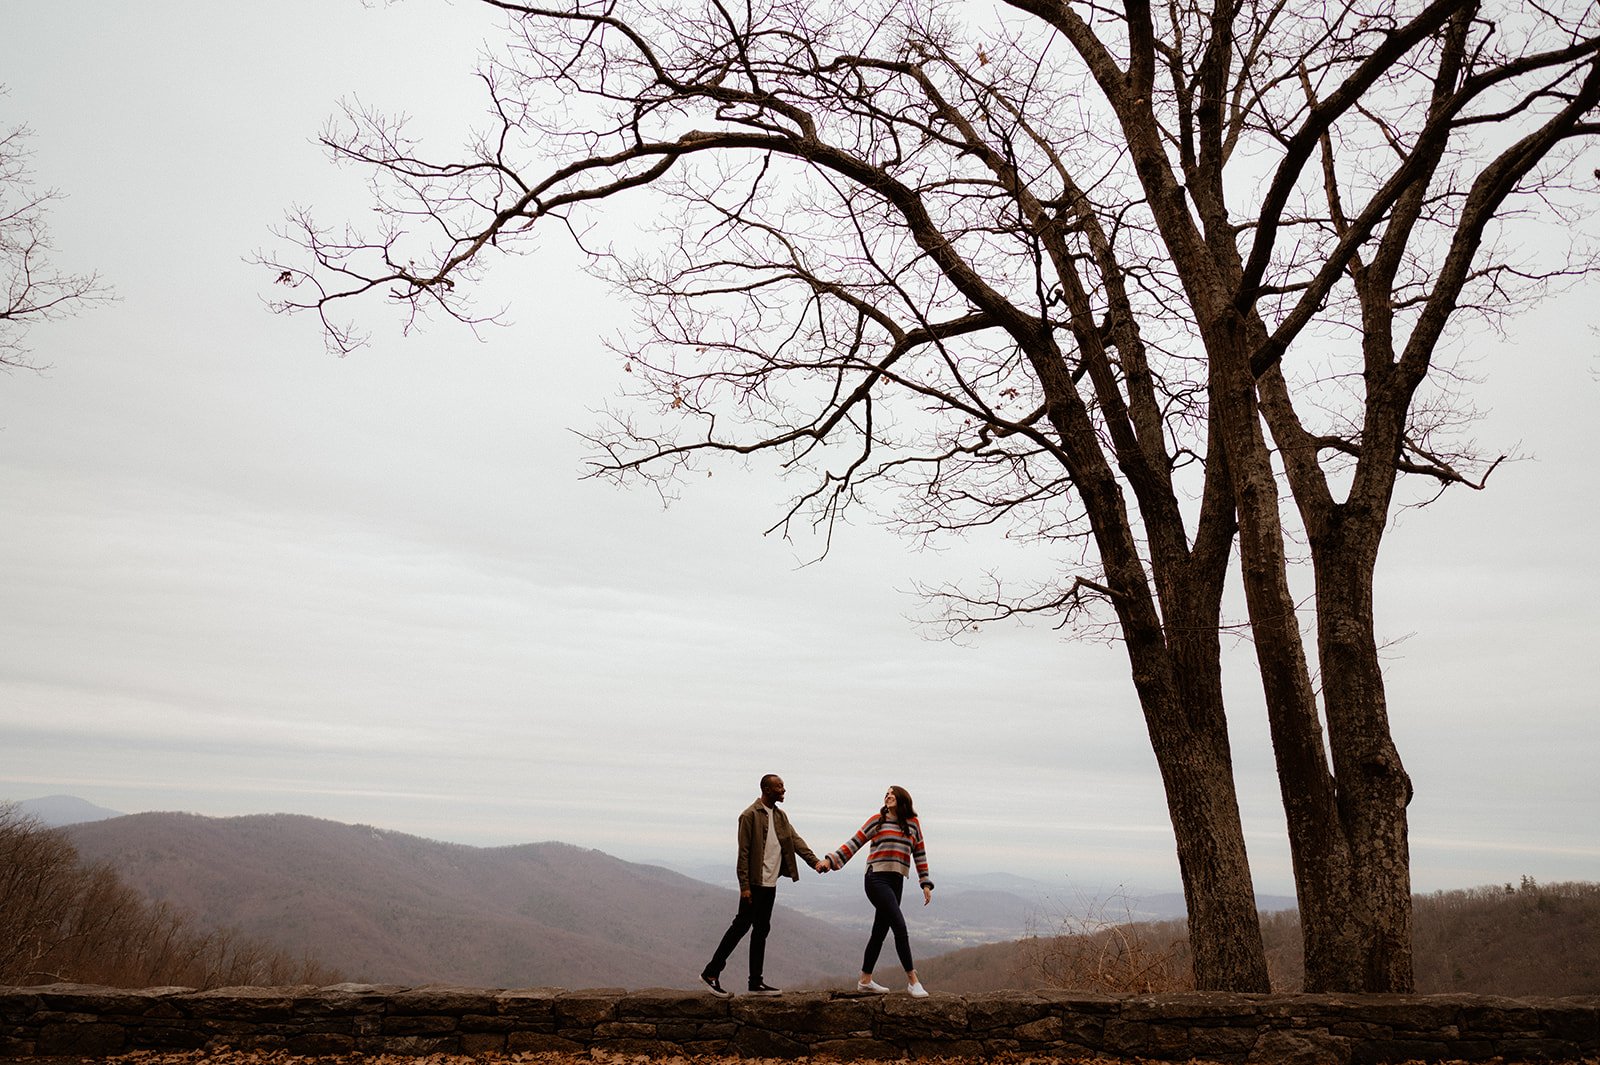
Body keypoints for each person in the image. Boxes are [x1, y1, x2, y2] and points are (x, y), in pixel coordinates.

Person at [701, 773, 825, 998]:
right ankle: (710, 973)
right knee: (740, 927)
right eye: (780, 787)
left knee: (761, 930)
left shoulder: (781, 817)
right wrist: (744, 886)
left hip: (770, 883)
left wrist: (815, 862)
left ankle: (755, 982)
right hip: (754, 884)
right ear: (767, 790)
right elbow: (744, 853)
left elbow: (795, 841)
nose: (784, 791)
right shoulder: (749, 816)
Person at [821, 785, 934, 998]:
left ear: (903, 800)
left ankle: (865, 980)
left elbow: (920, 853)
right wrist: (831, 860)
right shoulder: (877, 820)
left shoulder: (913, 824)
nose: (888, 796)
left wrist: (925, 883)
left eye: (892, 794)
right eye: (886, 794)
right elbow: (854, 842)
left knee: (879, 931)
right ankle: (913, 980)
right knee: (899, 926)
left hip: (897, 880)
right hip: (876, 878)